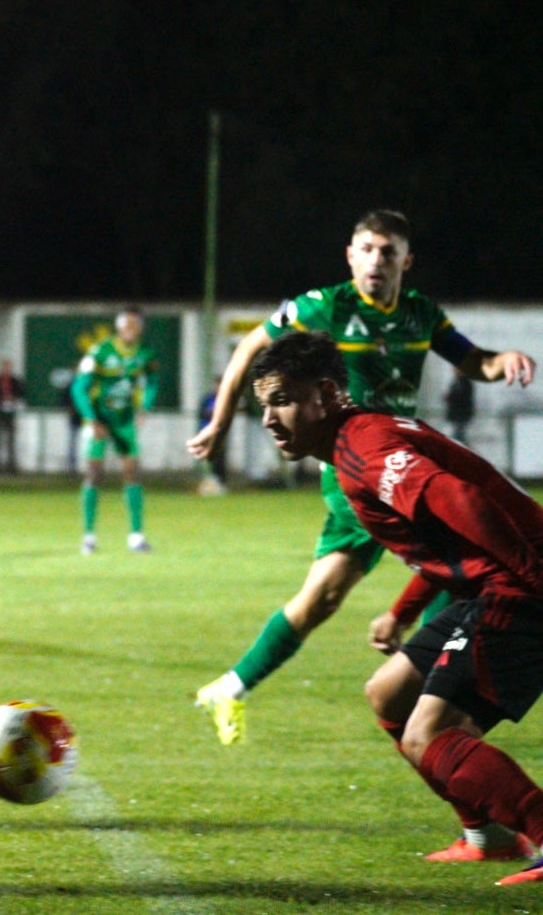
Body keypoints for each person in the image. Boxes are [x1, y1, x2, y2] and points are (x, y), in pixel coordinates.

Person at [188, 209, 535, 745]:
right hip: (360, 468)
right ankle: (447, 671)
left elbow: (473, 362)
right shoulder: (323, 306)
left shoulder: (421, 314)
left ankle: (232, 686)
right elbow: (252, 347)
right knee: (457, 552)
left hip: (396, 458)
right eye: (367, 250)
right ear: (351, 256)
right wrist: (220, 420)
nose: (376, 261)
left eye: (388, 251)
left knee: (324, 597)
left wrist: (502, 360)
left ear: (405, 260)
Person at [251, 331, 543, 885]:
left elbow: (458, 499)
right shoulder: (360, 441)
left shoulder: (365, 449)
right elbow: (439, 535)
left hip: (515, 586)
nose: (268, 418)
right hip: (494, 582)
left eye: (282, 400)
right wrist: (405, 611)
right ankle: (488, 836)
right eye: (263, 404)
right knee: (389, 693)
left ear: (328, 394)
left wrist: (532, 573)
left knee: (427, 735)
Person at [72, 306, 158, 554]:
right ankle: (88, 537)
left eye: (135, 325)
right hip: (100, 420)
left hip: (124, 421)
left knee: (132, 471)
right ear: (119, 327)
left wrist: (145, 407)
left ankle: (136, 537)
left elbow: (151, 382)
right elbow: (79, 387)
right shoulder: (100, 352)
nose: (131, 329)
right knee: (94, 473)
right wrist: (90, 418)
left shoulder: (144, 354)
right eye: (127, 324)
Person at [0, 358, 23, 474]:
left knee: (11, 442)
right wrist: (0, 400)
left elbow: (20, 394)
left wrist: (13, 399)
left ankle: (11, 467)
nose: (7, 369)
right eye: (5, 367)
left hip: (11, 414)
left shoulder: (14, 380)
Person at [196, 375, 228, 496]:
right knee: (207, 460)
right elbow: (202, 413)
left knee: (219, 459)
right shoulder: (208, 399)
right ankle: (207, 484)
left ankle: (219, 484)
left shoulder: (225, 399)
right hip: (206, 433)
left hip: (219, 434)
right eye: (216, 384)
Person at [445, 373, 476, 444]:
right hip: (459, 414)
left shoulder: (464, 383)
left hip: (461, 414)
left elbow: (462, 397)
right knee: (458, 434)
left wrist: (450, 398)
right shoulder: (458, 382)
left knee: (458, 435)